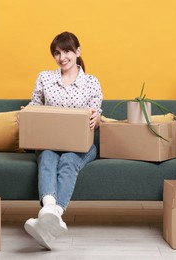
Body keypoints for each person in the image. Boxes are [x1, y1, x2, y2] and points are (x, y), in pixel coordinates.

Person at [23, 31, 103, 250]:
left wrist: (97, 118)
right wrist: (29, 112)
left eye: (67, 51)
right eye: (57, 53)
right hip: (49, 142)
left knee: (68, 160)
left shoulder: (91, 82)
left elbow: (96, 118)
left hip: (81, 146)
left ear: (78, 52)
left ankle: (52, 216)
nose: (62, 57)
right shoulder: (45, 78)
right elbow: (35, 106)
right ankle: (50, 211)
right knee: (47, 157)